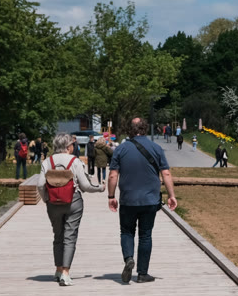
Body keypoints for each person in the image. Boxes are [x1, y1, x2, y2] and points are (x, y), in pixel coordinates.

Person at [109, 118, 177, 284]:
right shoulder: (156, 148)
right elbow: (166, 173)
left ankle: (129, 258)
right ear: (145, 129)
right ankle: (142, 274)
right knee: (145, 235)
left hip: (128, 199)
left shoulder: (121, 149)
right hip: (150, 199)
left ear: (130, 130)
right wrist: (171, 195)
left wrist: (111, 196)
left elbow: (112, 175)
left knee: (127, 232)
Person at [41, 133, 104, 286]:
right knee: (70, 236)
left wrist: (46, 199)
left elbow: (40, 185)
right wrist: (100, 188)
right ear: (69, 147)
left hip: (53, 203)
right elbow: (85, 186)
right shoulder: (75, 161)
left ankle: (58, 270)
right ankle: (65, 273)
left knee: (58, 235)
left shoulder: (47, 162)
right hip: (73, 202)